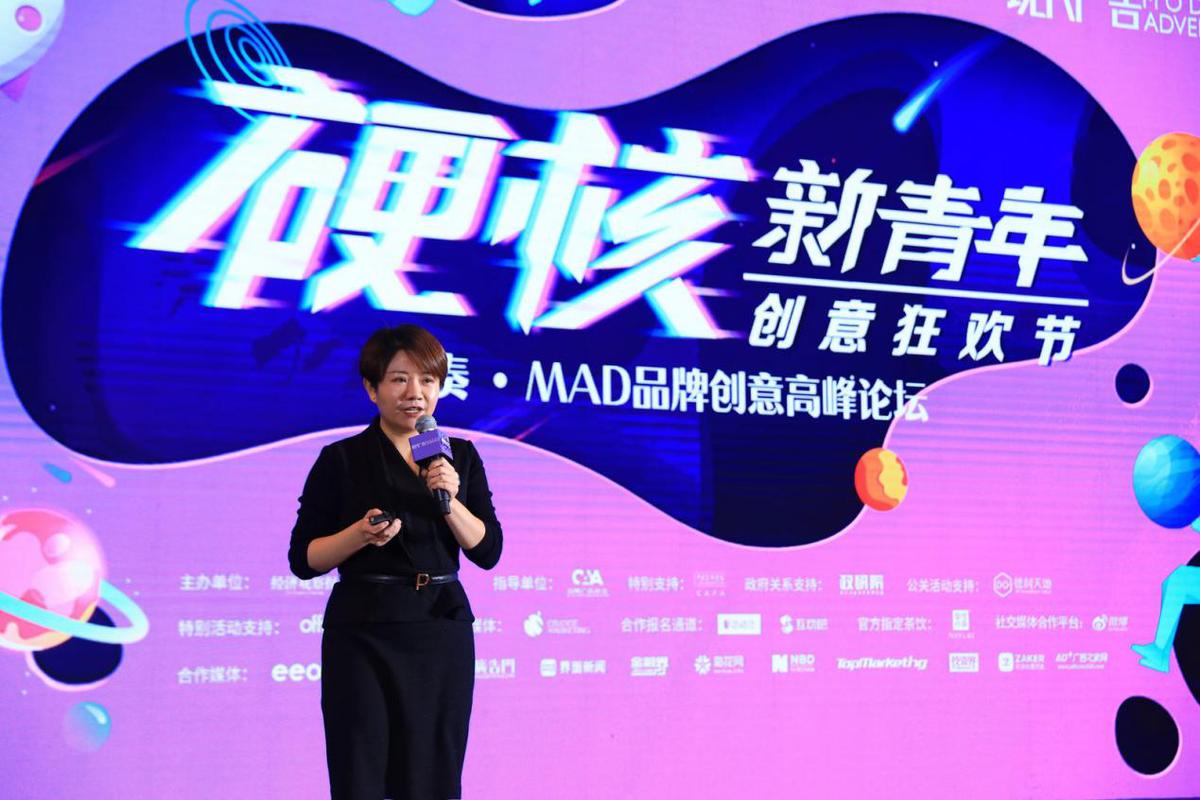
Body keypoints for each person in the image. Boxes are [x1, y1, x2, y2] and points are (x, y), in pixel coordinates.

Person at [287, 324, 503, 800]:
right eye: (399, 379)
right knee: (360, 773)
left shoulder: (460, 457)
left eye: (427, 380)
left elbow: (488, 551)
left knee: (432, 776)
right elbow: (303, 559)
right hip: (364, 631)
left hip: (440, 628)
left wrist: (450, 500)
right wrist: (359, 534)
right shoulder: (342, 459)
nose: (415, 393)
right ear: (372, 389)